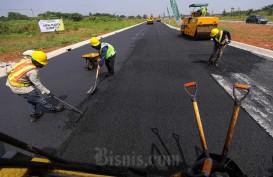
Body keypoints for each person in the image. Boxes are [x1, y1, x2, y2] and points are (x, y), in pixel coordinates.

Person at [6, 50, 64, 122]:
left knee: (31, 99)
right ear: (35, 61)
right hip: (20, 87)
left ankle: (33, 115)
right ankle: (53, 109)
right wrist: (48, 92)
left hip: (12, 82)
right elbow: (37, 84)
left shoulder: (27, 60)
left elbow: (30, 53)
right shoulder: (33, 72)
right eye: (41, 64)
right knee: (39, 99)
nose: (43, 65)